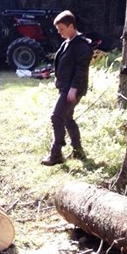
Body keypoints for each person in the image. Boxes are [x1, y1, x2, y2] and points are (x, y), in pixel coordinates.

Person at [40, 10, 93, 166]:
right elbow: (64, 64)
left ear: (71, 26)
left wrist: (74, 88)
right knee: (67, 118)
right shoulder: (68, 42)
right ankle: (78, 150)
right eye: (58, 29)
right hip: (66, 87)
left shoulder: (82, 45)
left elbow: (81, 68)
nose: (59, 32)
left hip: (72, 89)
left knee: (56, 117)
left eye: (61, 28)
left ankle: (56, 154)